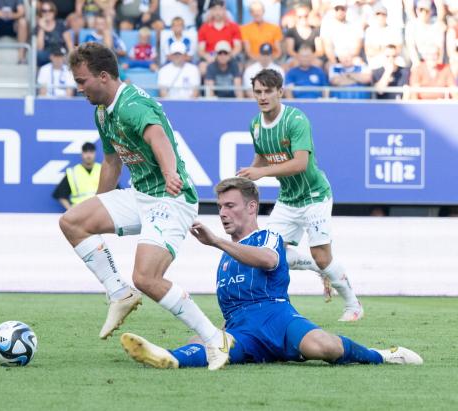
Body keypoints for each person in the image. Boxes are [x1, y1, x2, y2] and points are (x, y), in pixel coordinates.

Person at [119, 177, 423, 369]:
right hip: (244, 331)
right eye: (220, 206)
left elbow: (267, 261)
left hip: (279, 320)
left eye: (230, 205)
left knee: (326, 347)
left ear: (251, 207)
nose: (223, 213)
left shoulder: (268, 238)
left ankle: (382, 354)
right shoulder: (225, 259)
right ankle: (167, 357)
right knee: (208, 346)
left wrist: (217, 241)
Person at [62, 42, 231, 370]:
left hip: (171, 198)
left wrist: (170, 174)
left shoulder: (132, 105)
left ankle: (215, 338)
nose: (78, 88)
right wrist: (100, 205)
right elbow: (111, 162)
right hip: (141, 195)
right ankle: (118, 293)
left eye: (82, 81)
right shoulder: (102, 113)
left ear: (104, 76)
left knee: (147, 277)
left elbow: (159, 139)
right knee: (73, 221)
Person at [237, 69, 364, 322]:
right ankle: (316, 270)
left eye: (268, 91)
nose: (263, 97)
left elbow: (300, 164)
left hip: (314, 196)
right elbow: (262, 156)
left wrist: (260, 172)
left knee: (323, 257)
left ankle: (353, 305)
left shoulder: (296, 120)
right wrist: (247, 177)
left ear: (280, 92)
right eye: (258, 92)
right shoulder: (255, 125)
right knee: (268, 252)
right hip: (288, 198)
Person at [197, 0, 242, 75]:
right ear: (211, 11)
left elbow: (238, 47)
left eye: (220, 9)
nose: (217, 12)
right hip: (211, 57)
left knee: (239, 67)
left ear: (224, 10)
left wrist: (227, 57)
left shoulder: (233, 27)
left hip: (228, 56)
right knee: (203, 67)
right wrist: (209, 57)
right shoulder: (204, 28)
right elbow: (201, 50)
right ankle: (208, 86)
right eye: (214, 9)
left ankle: (235, 86)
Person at [52, 142, 102, 210]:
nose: (88, 155)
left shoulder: (103, 170)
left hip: (99, 211)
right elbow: (59, 194)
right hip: (80, 212)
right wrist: (70, 210)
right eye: (85, 152)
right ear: (81, 154)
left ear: (95, 154)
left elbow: (115, 192)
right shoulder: (73, 172)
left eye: (91, 152)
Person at [0, 0, 28, 64]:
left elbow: (22, 12)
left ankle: (21, 57)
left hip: (13, 25)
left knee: (23, 22)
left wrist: (12, 15)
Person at [35, 1, 67, 68]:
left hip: (61, 52)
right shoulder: (39, 27)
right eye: (44, 11)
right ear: (41, 13)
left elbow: (69, 43)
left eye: (50, 10)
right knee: (38, 54)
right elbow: (40, 48)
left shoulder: (60, 24)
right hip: (47, 55)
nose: (47, 13)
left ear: (54, 12)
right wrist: (42, 28)